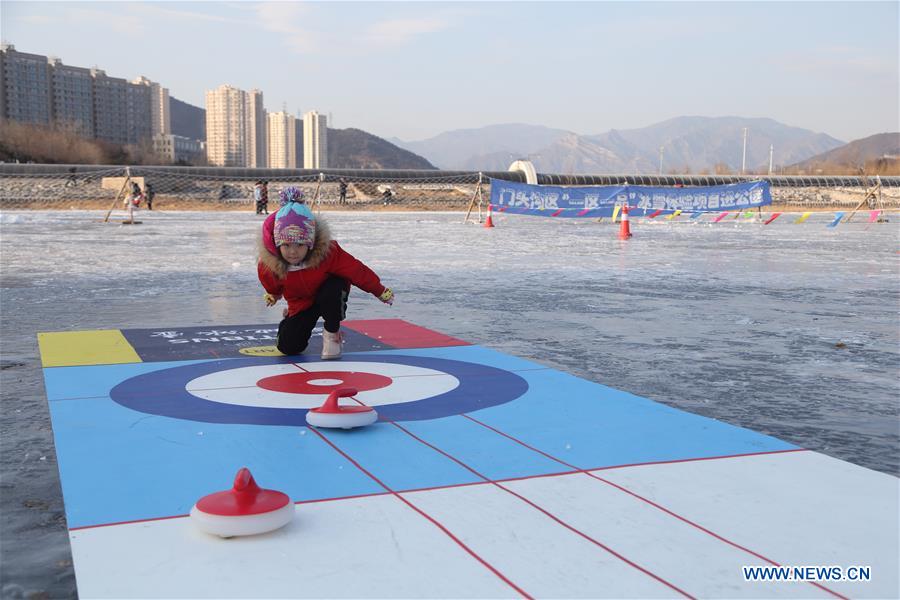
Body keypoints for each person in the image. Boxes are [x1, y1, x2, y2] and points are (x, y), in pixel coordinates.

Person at [257, 186, 395, 359]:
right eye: (286, 245)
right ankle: (288, 322)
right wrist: (274, 294)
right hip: (301, 303)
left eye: (300, 245)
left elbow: (356, 270)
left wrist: (379, 290)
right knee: (289, 347)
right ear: (277, 245)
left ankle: (332, 334)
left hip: (328, 294)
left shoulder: (328, 254)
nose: (293, 252)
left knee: (333, 289)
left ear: (310, 243)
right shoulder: (270, 264)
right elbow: (272, 284)